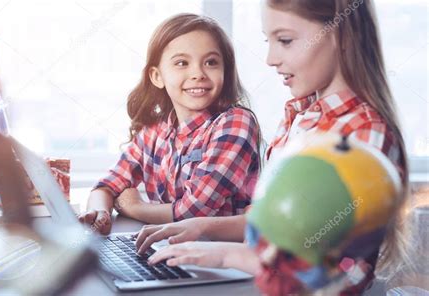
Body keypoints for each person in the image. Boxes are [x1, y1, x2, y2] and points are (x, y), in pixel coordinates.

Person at [145, 1, 410, 294]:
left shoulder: (365, 134)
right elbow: (276, 224)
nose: (270, 58)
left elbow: (342, 277)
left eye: (284, 40)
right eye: (268, 40)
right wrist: (203, 227)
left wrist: (229, 255)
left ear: (342, 36)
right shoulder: (301, 115)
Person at [78, 13, 261, 235]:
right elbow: (107, 185)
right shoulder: (154, 132)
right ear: (157, 76)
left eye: (211, 62)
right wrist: (100, 213)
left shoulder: (235, 123)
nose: (198, 74)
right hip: (171, 248)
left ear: (225, 70)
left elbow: (196, 212)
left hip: (221, 257)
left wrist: (135, 208)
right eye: (182, 63)